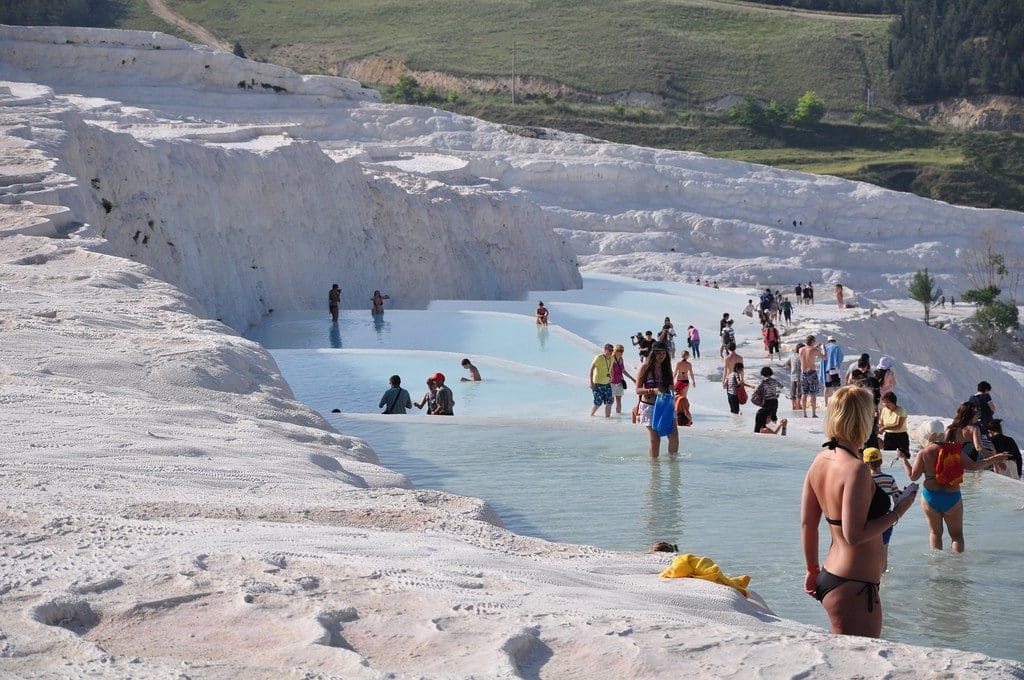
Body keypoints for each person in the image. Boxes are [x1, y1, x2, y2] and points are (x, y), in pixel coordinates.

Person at [801, 386, 917, 637]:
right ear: (863, 419)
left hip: (831, 575)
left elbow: (808, 525)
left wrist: (811, 570)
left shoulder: (820, 459)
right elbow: (853, 534)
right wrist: (899, 510)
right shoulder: (857, 469)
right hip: (855, 585)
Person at [907, 414, 1008, 553]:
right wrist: (994, 459)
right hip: (951, 496)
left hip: (930, 497)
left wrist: (904, 460)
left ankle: (936, 568)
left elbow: (914, 477)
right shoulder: (955, 450)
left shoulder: (924, 453)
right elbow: (973, 466)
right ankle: (957, 570)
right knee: (957, 536)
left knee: (935, 534)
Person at [635, 342, 678, 458]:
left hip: (665, 406)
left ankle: (673, 468)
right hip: (649, 407)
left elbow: (670, 386)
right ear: (653, 354)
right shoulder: (645, 367)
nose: (661, 355)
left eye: (664, 353)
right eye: (658, 353)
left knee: (674, 437)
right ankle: (655, 471)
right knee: (655, 441)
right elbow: (637, 390)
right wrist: (652, 390)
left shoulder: (666, 368)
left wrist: (670, 387)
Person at [862, 447, 900, 571]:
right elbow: (897, 501)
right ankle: (883, 583)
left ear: (865, 463)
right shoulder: (889, 479)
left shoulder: (864, 480)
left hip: (869, 521)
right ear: (881, 461)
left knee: (868, 554)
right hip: (886, 520)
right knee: (884, 553)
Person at [752, 366, 786, 434]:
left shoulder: (763, 382)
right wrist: (777, 394)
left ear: (763, 374)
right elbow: (782, 387)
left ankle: (768, 430)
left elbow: (757, 390)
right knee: (773, 416)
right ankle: (775, 428)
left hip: (767, 401)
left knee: (765, 415)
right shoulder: (775, 381)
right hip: (775, 401)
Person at [798, 335, 825, 418]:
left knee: (804, 393)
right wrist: (822, 348)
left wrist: (815, 347)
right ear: (812, 341)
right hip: (812, 372)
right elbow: (824, 357)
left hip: (803, 373)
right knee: (813, 394)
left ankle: (804, 413)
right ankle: (813, 413)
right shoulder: (814, 350)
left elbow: (807, 351)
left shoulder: (800, 349)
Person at [877, 392, 909, 458]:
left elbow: (898, 425)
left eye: (887, 402)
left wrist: (884, 428)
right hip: (889, 436)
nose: (886, 405)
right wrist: (879, 428)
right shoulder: (884, 410)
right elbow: (881, 424)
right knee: (889, 456)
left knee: (903, 456)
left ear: (893, 402)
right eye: (884, 402)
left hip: (901, 436)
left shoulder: (900, 410)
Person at [589, 343, 615, 418]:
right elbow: (591, 369)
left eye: (612, 350)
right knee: (598, 402)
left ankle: (607, 418)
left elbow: (611, 368)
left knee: (609, 402)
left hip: (607, 383)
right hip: (598, 383)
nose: (611, 352)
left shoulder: (612, 358)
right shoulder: (599, 357)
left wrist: (612, 376)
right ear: (605, 350)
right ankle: (591, 415)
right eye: (609, 350)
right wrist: (591, 382)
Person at [818, 336, 845, 406]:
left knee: (826, 387)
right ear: (834, 340)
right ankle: (835, 403)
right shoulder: (836, 347)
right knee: (836, 387)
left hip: (826, 370)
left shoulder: (825, 347)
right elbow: (841, 357)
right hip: (834, 369)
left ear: (828, 341)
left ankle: (826, 403)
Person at [611, 344, 636, 415]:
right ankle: (608, 416)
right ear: (615, 351)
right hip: (612, 382)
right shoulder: (611, 358)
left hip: (619, 381)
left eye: (622, 351)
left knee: (618, 399)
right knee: (611, 400)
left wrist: (632, 379)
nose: (621, 352)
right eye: (619, 350)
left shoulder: (621, 359)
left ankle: (618, 414)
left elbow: (623, 370)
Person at [788, 342, 804, 411]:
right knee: (799, 392)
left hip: (793, 375)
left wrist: (792, 367)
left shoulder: (792, 355)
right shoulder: (802, 356)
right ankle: (798, 405)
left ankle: (793, 406)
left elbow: (787, 363)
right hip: (800, 376)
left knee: (792, 392)